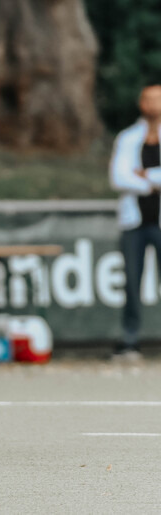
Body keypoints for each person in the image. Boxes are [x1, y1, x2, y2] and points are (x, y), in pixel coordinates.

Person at [109, 80, 161, 362]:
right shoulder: (128, 137)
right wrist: (154, 183)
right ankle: (130, 341)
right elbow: (118, 177)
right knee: (131, 284)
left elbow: (133, 176)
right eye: (149, 99)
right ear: (142, 104)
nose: (153, 105)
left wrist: (145, 177)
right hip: (134, 223)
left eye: (158, 99)